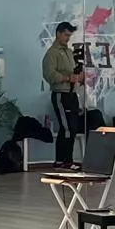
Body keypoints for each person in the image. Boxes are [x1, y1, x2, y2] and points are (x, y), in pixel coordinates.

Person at [42, 21, 85, 168]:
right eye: (66, 35)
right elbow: (49, 75)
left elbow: (72, 72)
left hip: (72, 94)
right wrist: (67, 78)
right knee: (68, 128)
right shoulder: (52, 53)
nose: (68, 38)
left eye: (69, 35)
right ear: (58, 34)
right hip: (61, 95)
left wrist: (79, 77)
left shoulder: (68, 52)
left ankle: (60, 161)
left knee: (70, 127)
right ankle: (67, 161)